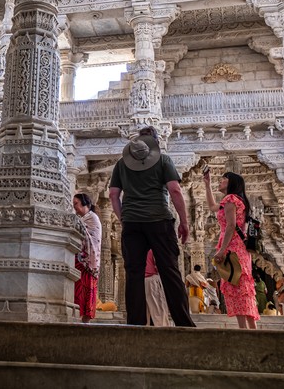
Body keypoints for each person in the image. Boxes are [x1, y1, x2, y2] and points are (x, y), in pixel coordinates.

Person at [109, 126, 195, 327]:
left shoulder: (122, 164)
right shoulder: (164, 160)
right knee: (169, 271)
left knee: (134, 274)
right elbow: (174, 190)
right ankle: (184, 323)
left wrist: (124, 218)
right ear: (156, 142)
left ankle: (136, 324)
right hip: (159, 221)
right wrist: (184, 221)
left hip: (131, 223)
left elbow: (114, 194)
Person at [202, 168, 259, 329]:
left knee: (236, 283)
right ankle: (250, 327)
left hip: (233, 247)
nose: (220, 181)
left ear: (231, 182)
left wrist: (221, 250)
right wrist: (207, 185)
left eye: (223, 179)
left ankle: (244, 330)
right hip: (241, 248)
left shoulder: (230, 199)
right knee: (242, 285)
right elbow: (213, 207)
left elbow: (231, 226)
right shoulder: (237, 200)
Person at [73, 193, 102, 323]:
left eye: (76, 204)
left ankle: (85, 319)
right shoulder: (84, 219)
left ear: (85, 204)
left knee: (85, 289)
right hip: (81, 260)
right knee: (77, 289)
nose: (75, 208)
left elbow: (91, 240)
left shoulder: (92, 219)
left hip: (88, 262)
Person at [144, 252, 173, 326]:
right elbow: (160, 265)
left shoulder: (137, 247)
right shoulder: (152, 249)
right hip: (152, 279)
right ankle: (163, 332)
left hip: (140, 280)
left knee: (144, 312)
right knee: (158, 310)